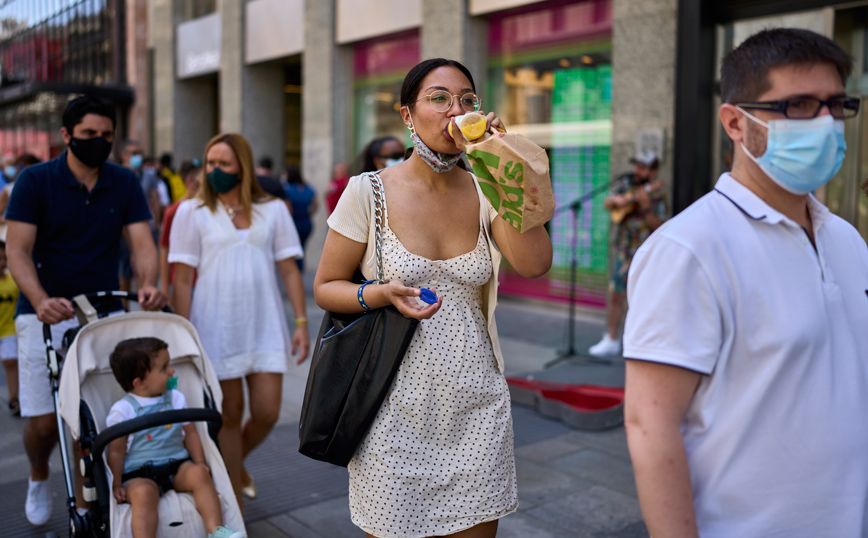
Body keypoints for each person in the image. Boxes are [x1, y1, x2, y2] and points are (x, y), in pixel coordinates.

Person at [623, 28, 868, 538]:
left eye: (835, 104)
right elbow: (650, 425)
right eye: (799, 105)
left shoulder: (847, 240)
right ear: (736, 122)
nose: (825, 123)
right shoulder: (687, 250)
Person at [315, 58, 552, 538]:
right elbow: (326, 287)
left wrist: (501, 163)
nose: (455, 110)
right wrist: (380, 293)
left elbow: (535, 262)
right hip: (389, 410)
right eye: (438, 98)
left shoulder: (487, 189)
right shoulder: (368, 192)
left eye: (467, 100)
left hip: (476, 409)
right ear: (407, 115)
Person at [6, 95, 168, 526]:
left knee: (97, 415)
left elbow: (142, 244)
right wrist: (40, 299)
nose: (99, 142)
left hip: (103, 311)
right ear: (66, 136)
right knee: (43, 422)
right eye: (88, 135)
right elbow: (18, 250)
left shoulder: (124, 182)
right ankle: (39, 474)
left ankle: (90, 497)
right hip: (43, 310)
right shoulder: (34, 181)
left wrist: (149, 283)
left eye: (106, 136)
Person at [169, 133, 311, 509]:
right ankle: (232, 500)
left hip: (264, 324)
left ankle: (232, 465)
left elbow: (290, 271)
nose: (214, 171)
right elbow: (182, 279)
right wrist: (180, 335)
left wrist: (301, 322)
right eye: (209, 163)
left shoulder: (274, 210)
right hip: (215, 326)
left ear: (243, 168)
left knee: (266, 411)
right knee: (229, 414)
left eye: (224, 164)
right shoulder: (191, 212)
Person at [106, 337, 243, 538]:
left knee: (199, 474)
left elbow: (190, 434)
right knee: (144, 494)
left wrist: (199, 462)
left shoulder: (176, 398)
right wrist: (116, 484)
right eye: (164, 368)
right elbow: (116, 452)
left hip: (178, 464)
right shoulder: (123, 410)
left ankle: (216, 530)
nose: (172, 371)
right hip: (139, 473)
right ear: (140, 382)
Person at [588, 151, 666, 357]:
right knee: (616, 294)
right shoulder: (627, 185)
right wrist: (619, 201)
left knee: (642, 298)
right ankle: (611, 338)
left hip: (644, 252)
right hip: (624, 250)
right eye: (637, 166)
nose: (637, 171)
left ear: (653, 171)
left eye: (643, 167)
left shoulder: (657, 194)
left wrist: (647, 208)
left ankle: (642, 343)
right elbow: (607, 203)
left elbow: (661, 226)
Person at [159, 160, 202, 304]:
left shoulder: (208, 209)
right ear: (190, 182)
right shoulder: (174, 211)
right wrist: (165, 289)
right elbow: (165, 249)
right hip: (185, 283)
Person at [283, 166, 317, 271]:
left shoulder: (287, 189)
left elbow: (288, 209)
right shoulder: (308, 188)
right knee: (301, 249)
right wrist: (307, 213)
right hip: (306, 222)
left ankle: (295, 274)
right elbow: (315, 204)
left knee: (292, 252)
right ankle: (299, 272)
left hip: (294, 223)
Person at [0, 240, 19, 416]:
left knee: (10, 361)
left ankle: (14, 398)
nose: (1, 262)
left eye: (3, 258)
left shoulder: (14, 281)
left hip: (9, 329)